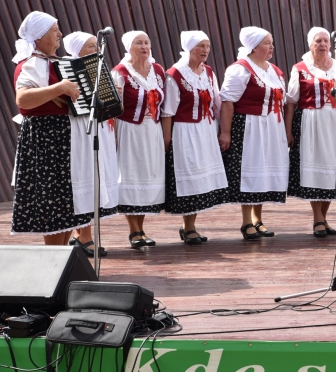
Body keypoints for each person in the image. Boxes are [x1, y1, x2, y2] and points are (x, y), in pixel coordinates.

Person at [10, 12, 94, 244]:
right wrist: (60, 88)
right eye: (54, 30)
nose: (60, 34)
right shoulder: (33, 63)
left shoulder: (54, 62)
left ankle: (62, 259)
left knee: (65, 204)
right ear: (38, 36)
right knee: (54, 203)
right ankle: (55, 263)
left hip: (62, 138)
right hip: (47, 139)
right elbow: (23, 100)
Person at [218, 27, 287, 240]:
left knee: (264, 172)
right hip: (248, 127)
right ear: (254, 47)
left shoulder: (273, 70)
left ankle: (259, 219)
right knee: (250, 171)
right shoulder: (240, 69)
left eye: (271, 42)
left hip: (271, 127)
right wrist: (226, 132)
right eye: (267, 43)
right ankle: (246, 221)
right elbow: (228, 102)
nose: (271, 47)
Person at [162, 31, 228, 245]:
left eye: (207, 46)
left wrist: (222, 130)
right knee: (189, 177)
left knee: (200, 180)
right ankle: (188, 227)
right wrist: (167, 139)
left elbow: (216, 101)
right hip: (185, 131)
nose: (205, 50)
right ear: (189, 48)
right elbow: (168, 111)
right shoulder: (175, 74)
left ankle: (190, 226)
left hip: (206, 130)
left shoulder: (208, 72)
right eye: (201, 46)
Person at [285, 27, 336, 237]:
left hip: (334, 122)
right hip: (310, 122)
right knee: (314, 169)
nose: (322, 44)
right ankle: (318, 219)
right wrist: (288, 131)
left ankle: (324, 217)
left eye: (325, 41)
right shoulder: (300, 68)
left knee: (332, 169)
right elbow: (291, 102)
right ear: (310, 44)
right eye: (317, 41)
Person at [62, 31, 119, 256]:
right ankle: (83, 235)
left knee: (96, 177)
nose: (95, 50)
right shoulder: (68, 68)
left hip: (99, 128)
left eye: (96, 45)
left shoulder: (99, 69)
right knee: (85, 176)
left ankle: (83, 234)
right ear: (77, 50)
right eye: (89, 46)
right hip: (80, 129)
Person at [111, 30, 166, 249]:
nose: (144, 46)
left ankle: (141, 228)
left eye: (147, 42)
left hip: (152, 130)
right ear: (129, 47)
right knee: (131, 175)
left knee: (146, 175)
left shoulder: (158, 70)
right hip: (129, 129)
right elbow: (114, 109)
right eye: (139, 43)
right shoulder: (120, 73)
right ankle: (134, 230)